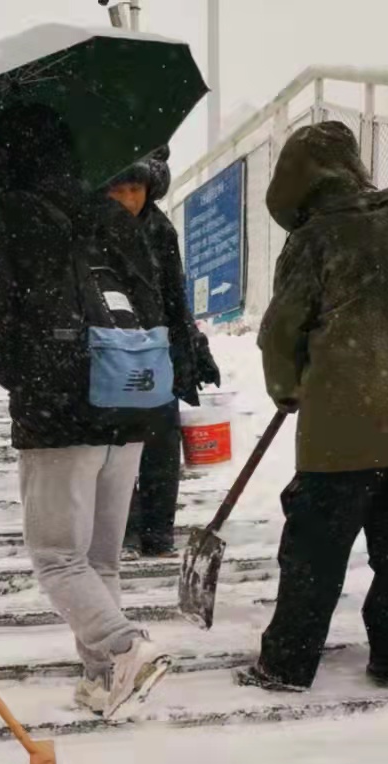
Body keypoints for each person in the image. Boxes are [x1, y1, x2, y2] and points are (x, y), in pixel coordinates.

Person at [239, 120, 388, 693]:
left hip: (342, 435)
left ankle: (287, 665)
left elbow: (281, 332)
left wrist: (287, 389)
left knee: (314, 556)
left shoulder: (314, 238)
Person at [0, 105, 171, 719]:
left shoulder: (10, 212)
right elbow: (153, 299)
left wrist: (24, 377)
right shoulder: (108, 210)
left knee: (58, 556)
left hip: (58, 403)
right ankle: (102, 679)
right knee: (99, 559)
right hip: (128, 395)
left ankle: (126, 646)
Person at [126, 145, 222, 558]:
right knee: (117, 442)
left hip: (156, 348)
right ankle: (125, 525)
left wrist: (195, 346)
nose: (129, 198)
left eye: (137, 189)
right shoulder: (91, 226)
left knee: (161, 441)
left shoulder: (160, 230)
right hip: (110, 348)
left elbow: (175, 296)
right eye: (122, 189)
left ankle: (156, 531)